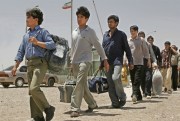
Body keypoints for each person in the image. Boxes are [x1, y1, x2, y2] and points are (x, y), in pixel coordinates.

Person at [11, 8, 55, 121]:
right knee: (32, 92)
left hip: (40, 63)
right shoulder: (26, 36)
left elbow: (51, 45)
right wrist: (15, 66)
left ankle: (48, 108)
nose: (26, 20)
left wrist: (37, 42)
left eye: (28, 17)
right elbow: (21, 51)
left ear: (36, 20)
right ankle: (38, 117)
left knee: (34, 88)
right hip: (29, 65)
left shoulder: (43, 32)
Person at [70, 6, 109, 117]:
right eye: (77, 17)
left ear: (86, 19)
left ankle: (75, 108)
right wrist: (71, 62)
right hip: (75, 62)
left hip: (85, 61)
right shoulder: (74, 32)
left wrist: (104, 59)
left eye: (81, 17)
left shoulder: (90, 32)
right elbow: (73, 48)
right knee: (82, 85)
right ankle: (92, 104)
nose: (79, 19)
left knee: (78, 84)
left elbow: (98, 46)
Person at [101, 15, 133, 108]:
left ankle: (122, 97)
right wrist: (101, 63)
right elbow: (103, 49)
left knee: (115, 78)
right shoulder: (105, 35)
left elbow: (127, 49)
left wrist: (130, 61)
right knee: (110, 83)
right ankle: (115, 103)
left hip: (117, 61)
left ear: (116, 23)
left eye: (111, 21)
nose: (109, 23)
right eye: (108, 22)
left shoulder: (121, 34)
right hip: (107, 62)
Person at [128, 25, 151, 104]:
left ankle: (134, 94)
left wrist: (148, 60)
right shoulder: (129, 40)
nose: (132, 32)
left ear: (137, 31)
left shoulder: (141, 40)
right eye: (131, 31)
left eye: (133, 31)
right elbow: (127, 52)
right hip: (131, 63)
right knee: (133, 79)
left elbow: (145, 51)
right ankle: (139, 96)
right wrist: (125, 60)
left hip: (139, 63)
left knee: (137, 79)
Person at [138, 31, 157, 99]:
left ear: (144, 37)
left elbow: (152, 54)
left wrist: (155, 62)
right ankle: (144, 92)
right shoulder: (136, 44)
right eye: (140, 35)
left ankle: (148, 92)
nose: (141, 37)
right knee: (142, 78)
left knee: (149, 77)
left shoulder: (148, 44)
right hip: (139, 62)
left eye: (142, 36)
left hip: (147, 62)